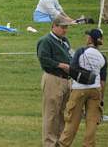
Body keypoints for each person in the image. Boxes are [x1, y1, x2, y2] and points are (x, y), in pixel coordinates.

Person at [59, 29, 107, 147]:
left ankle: (64, 144)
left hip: (79, 89)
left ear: (90, 39)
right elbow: (102, 81)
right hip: (95, 90)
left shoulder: (81, 51)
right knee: (92, 122)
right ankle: (88, 145)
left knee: (72, 120)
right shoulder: (103, 57)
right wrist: (101, 98)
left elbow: (73, 68)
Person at [36, 16, 73, 147]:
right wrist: (61, 65)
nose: (65, 30)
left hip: (66, 80)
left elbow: (70, 55)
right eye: (63, 27)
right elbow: (44, 59)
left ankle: (60, 142)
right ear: (54, 26)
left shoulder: (65, 41)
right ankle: (49, 143)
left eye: (66, 27)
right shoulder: (46, 41)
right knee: (51, 113)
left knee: (63, 113)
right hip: (53, 79)